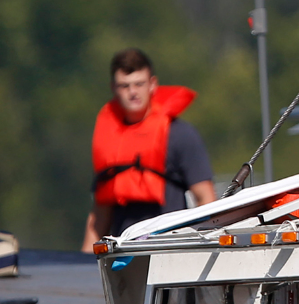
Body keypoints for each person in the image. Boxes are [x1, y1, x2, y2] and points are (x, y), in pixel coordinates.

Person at [82, 48, 216, 249]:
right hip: (122, 252)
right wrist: (83, 263)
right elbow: (100, 214)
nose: (132, 92)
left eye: (139, 84)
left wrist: (201, 248)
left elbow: (206, 197)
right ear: (113, 88)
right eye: (124, 86)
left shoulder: (180, 134)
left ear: (153, 84)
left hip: (170, 248)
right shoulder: (107, 138)